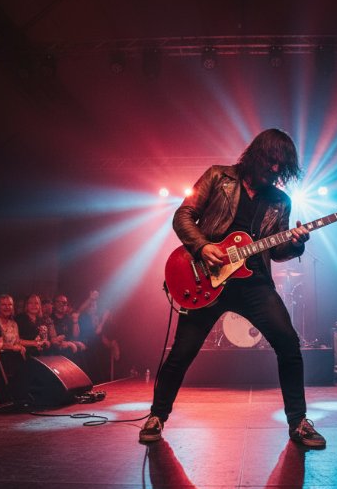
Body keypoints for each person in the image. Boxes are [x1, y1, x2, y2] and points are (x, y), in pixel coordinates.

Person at [139, 128, 324, 448]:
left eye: (282, 166)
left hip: (254, 283)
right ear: (257, 154)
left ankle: (298, 422)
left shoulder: (281, 202)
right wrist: (201, 247)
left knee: (288, 343)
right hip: (207, 278)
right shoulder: (217, 177)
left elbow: (277, 252)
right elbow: (183, 215)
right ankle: (157, 415)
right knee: (182, 352)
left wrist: (296, 245)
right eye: (271, 162)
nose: (275, 170)